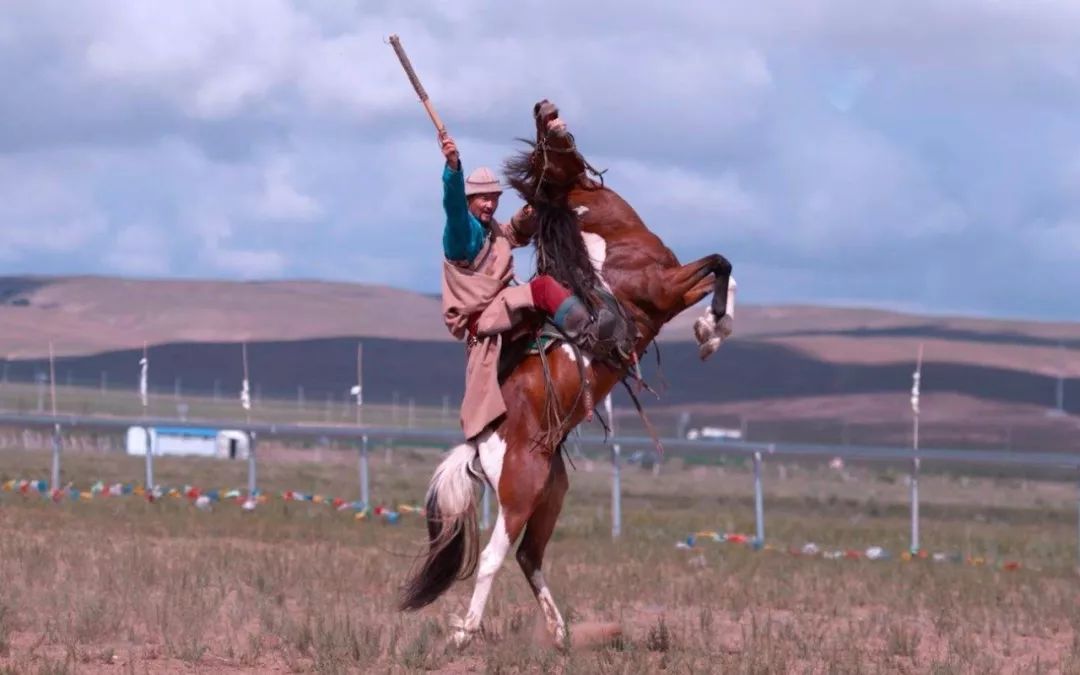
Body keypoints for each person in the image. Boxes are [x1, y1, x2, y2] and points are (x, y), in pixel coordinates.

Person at [438, 122, 615, 440]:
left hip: (501, 307)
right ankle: (592, 336)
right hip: (487, 316)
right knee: (545, 288)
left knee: (554, 293)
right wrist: (453, 169)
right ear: (469, 200)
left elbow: (512, 232)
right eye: (482, 198)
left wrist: (535, 205)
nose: (489, 203)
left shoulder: (491, 230)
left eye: (493, 197)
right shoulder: (461, 234)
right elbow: (452, 209)